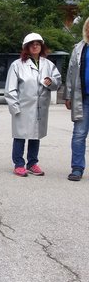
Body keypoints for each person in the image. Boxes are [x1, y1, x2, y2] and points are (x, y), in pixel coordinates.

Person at [5, 33, 61, 177]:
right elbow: (10, 89)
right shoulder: (17, 65)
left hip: (40, 107)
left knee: (36, 135)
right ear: (26, 47)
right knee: (20, 135)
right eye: (32, 44)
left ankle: (32, 163)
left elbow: (57, 82)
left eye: (38, 43)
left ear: (41, 46)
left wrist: (51, 82)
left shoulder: (48, 64)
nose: (35, 46)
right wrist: (15, 107)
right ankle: (18, 164)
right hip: (23, 106)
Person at [65, 18, 89, 181]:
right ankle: (77, 168)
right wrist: (68, 95)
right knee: (79, 134)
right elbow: (71, 73)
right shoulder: (79, 48)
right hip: (84, 98)